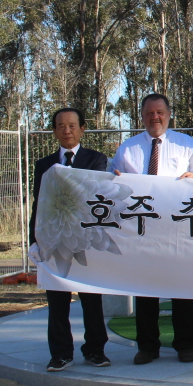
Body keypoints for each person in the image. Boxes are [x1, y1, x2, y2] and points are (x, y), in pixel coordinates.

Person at [111, 92, 193, 365]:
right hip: (142, 230)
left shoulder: (186, 145)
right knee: (146, 290)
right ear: (142, 117)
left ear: (169, 115)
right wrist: (116, 180)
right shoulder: (127, 149)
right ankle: (147, 346)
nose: (154, 117)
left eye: (160, 113)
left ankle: (186, 346)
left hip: (177, 228)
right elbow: (112, 180)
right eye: (149, 113)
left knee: (182, 289)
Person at [29, 107, 111, 372]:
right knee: (57, 302)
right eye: (61, 126)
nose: (67, 130)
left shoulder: (96, 160)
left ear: (82, 128)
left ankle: (95, 350)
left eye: (72, 125)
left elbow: (92, 194)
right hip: (54, 243)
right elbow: (38, 206)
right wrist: (34, 240)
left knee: (91, 299)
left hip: (85, 241)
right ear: (54, 131)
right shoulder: (43, 165)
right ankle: (61, 353)